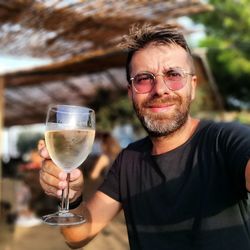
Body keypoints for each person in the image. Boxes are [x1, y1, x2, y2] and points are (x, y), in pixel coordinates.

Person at [39, 24, 250, 250]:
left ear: (193, 86)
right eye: (144, 79)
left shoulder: (226, 139)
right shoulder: (128, 160)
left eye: (174, 75)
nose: (160, 89)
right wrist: (72, 198)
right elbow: (77, 235)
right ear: (131, 93)